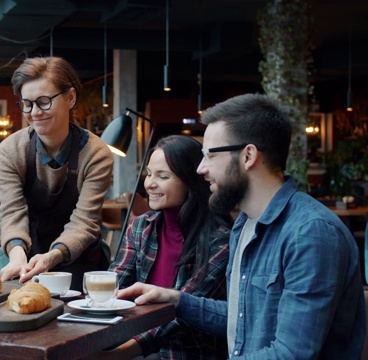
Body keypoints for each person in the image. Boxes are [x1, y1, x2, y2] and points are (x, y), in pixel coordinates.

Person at [119, 93, 366, 359]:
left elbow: (292, 354)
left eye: (210, 156)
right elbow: (242, 318)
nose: (201, 169)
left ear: (248, 156)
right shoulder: (245, 225)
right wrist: (175, 300)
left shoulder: (311, 233)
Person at [97, 135, 231, 359]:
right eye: (149, 174)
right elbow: (114, 284)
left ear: (190, 180)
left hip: (186, 353)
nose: (149, 183)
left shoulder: (219, 240)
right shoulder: (141, 227)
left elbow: (181, 315)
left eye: (163, 176)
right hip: (133, 344)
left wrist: (119, 354)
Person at [0, 56, 114, 291]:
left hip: (80, 262)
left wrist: (52, 257)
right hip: (29, 260)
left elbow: (85, 222)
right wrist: (17, 255)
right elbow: (12, 212)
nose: (34, 112)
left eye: (43, 101)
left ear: (70, 98)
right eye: (27, 104)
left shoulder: (96, 153)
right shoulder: (11, 150)